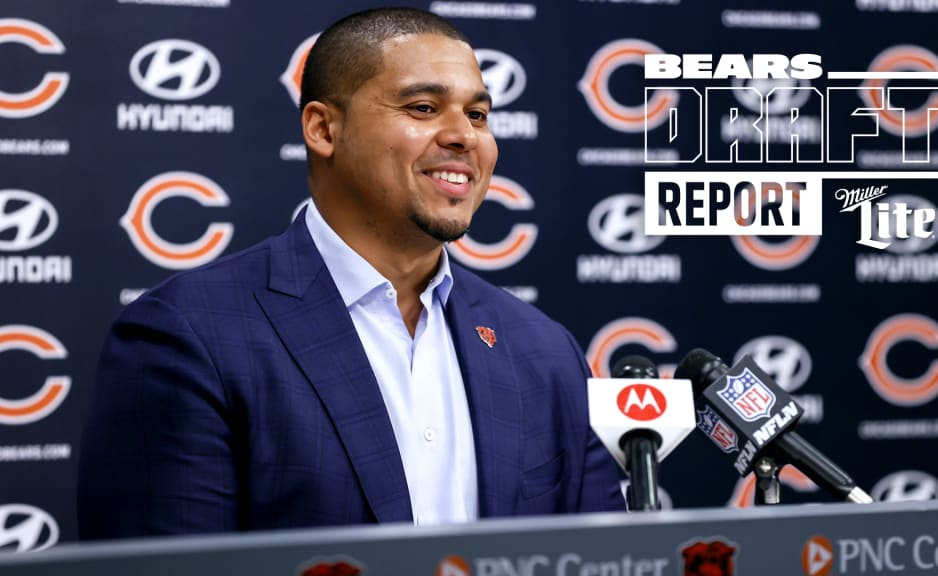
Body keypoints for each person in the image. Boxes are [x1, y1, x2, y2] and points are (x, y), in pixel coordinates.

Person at [77, 7, 624, 539]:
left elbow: (603, 559)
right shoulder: (187, 336)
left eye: (477, 115)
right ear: (322, 128)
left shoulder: (545, 352)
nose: (465, 136)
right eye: (423, 107)